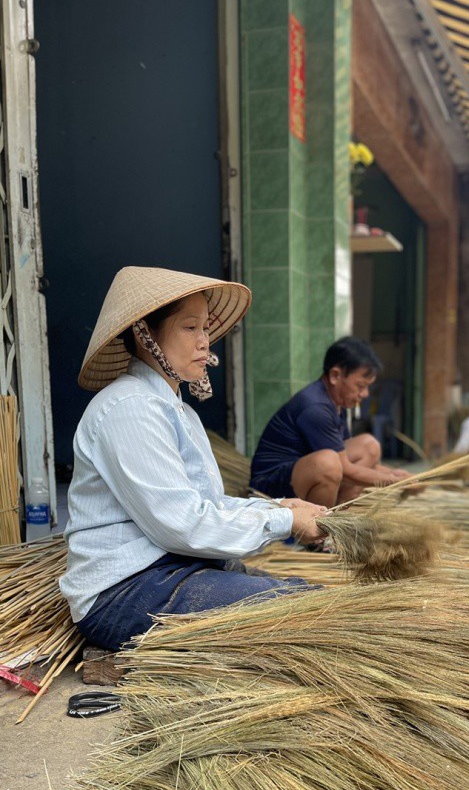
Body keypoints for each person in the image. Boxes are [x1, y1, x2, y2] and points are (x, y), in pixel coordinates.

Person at [60, 267, 327, 652]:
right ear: (145, 334)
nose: (205, 342)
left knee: (303, 594)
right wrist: (284, 521)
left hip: (173, 570)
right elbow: (182, 525)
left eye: (205, 328)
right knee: (295, 611)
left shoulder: (177, 412)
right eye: (190, 328)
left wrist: (281, 507)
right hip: (125, 592)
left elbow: (206, 507)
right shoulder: (129, 408)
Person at [250, 338, 412, 507]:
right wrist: (395, 482)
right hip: (268, 488)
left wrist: (399, 476)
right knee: (328, 463)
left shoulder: (336, 403)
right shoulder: (315, 407)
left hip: (302, 474)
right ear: (335, 376)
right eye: (360, 385)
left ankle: (339, 511)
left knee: (369, 446)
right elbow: (346, 470)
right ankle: (321, 527)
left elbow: (348, 462)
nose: (365, 394)